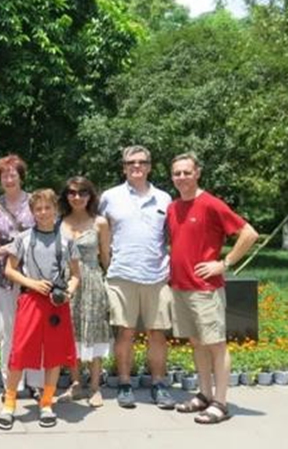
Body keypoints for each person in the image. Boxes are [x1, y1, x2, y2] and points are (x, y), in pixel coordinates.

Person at [167, 153, 258, 424]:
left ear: (197, 173)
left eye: (186, 172)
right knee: (197, 343)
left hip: (205, 288)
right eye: (176, 173)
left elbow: (249, 233)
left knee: (216, 345)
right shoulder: (173, 208)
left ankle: (221, 403)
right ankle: (204, 395)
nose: (181, 177)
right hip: (180, 287)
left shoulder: (210, 204)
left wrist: (224, 263)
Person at [99, 145, 175, 409]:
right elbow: (101, 234)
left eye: (142, 162)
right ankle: (124, 383)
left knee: (157, 334)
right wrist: (107, 266)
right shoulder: (110, 197)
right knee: (125, 332)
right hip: (122, 276)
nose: (137, 166)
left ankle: (158, 384)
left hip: (156, 276)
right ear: (123, 167)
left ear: (150, 166)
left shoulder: (165, 198)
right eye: (131, 162)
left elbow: (171, 237)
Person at [0, 189, 81, 429]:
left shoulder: (66, 239)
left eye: (47, 208)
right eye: (38, 209)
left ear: (55, 209)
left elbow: (76, 275)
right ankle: (9, 403)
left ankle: (46, 402)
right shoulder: (23, 238)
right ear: (32, 212)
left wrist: (68, 292)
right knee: (20, 351)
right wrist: (32, 283)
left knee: (54, 354)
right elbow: (9, 270)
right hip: (31, 300)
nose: (43, 213)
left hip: (56, 302)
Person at [58, 177, 111, 408]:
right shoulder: (59, 222)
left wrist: (107, 284)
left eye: (82, 192)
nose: (77, 197)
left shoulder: (99, 222)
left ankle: (96, 386)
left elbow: (106, 257)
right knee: (71, 332)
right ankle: (76, 382)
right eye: (71, 192)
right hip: (67, 282)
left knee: (95, 331)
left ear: (90, 196)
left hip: (92, 280)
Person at [0, 154, 35, 390]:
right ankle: (11, 385)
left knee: (34, 330)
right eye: (4, 174)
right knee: (7, 332)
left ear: (21, 176)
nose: (8, 178)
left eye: (13, 174)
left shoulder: (35, 202)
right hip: (2, 275)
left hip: (32, 276)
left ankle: (36, 383)